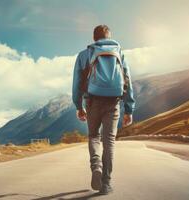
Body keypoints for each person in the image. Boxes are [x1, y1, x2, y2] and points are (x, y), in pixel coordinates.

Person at [71, 25, 135, 195]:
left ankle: (96, 166)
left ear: (94, 38)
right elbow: (127, 80)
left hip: (92, 101)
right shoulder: (119, 52)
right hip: (113, 103)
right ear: (109, 36)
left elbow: (77, 82)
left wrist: (79, 106)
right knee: (109, 141)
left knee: (93, 136)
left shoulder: (85, 54)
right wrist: (129, 109)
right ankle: (106, 183)